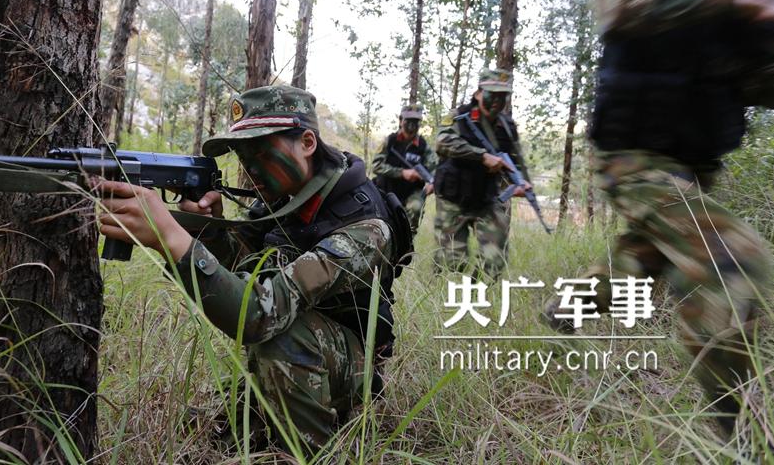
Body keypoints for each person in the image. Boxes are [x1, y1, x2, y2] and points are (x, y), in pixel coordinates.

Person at [544, 0, 774, 437]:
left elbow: (766, 83)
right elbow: (621, 6)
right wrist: (739, 5)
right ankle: (739, 439)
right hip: (631, 159)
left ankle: (567, 306)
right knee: (732, 263)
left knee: (643, 264)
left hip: (696, 167)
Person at [93, 85, 410, 454]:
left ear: (307, 142)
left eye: (260, 152)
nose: (250, 169)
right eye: (242, 156)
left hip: (353, 365)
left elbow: (260, 314)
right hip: (308, 348)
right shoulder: (287, 199)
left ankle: (306, 454)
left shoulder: (365, 227)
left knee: (282, 337)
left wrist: (171, 237)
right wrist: (209, 232)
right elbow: (251, 269)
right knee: (211, 431)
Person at [433, 70, 532, 279]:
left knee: (494, 259)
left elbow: (515, 159)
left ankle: (478, 295)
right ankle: (447, 296)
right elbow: (443, 143)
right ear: (478, 93)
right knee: (452, 262)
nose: (497, 101)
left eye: (502, 96)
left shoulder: (507, 126)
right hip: (453, 198)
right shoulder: (458, 116)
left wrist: (522, 182)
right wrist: (481, 156)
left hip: (487, 198)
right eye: (492, 94)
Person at [371, 104, 438, 236]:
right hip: (387, 189)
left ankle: (407, 245)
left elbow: (434, 168)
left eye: (416, 121)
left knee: (414, 210)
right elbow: (376, 165)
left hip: (412, 192)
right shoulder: (390, 141)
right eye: (408, 120)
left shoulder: (423, 146)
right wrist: (402, 173)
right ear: (401, 120)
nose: (412, 125)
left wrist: (432, 183)